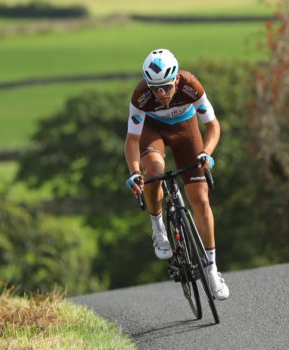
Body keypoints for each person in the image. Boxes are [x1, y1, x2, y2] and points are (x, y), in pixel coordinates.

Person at [124, 48, 229, 300]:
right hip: (153, 131)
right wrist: (134, 172)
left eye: (166, 87)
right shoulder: (141, 96)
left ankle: (212, 268)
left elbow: (212, 125)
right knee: (155, 171)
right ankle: (158, 227)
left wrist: (206, 152)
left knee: (201, 199)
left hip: (185, 129)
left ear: (176, 81)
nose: (161, 94)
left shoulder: (190, 85)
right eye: (155, 89)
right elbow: (131, 140)